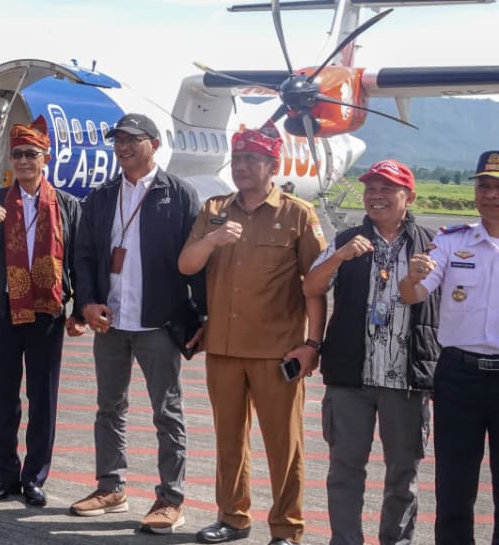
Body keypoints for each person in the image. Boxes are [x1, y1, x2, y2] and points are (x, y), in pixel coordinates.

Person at [178, 122, 326, 545]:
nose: (242, 166)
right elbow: (186, 265)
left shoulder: (298, 214)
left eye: (252, 160)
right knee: (228, 441)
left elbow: (315, 286)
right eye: (238, 158)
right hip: (223, 347)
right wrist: (213, 240)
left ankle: (286, 528)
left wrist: (312, 344)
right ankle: (232, 517)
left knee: (284, 445)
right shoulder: (214, 210)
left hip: (277, 351)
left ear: (271, 164)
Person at [68, 113, 203, 533]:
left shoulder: (178, 194)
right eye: (117, 140)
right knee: (109, 408)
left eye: (131, 139)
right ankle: (110, 487)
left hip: (158, 323)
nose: (122, 147)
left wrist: (202, 316)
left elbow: (196, 265)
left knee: (167, 411)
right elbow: (85, 254)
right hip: (111, 321)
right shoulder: (102, 196)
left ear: (154, 143)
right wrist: (86, 303)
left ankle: (170, 499)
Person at [301, 159, 438, 545]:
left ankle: (397, 540)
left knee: (402, 473)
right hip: (351, 377)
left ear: (408, 196)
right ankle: (345, 540)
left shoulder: (432, 243)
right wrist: (339, 257)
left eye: (387, 189)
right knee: (344, 468)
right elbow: (311, 287)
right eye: (371, 189)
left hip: (406, 379)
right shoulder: (346, 240)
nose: (376, 197)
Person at [0, 116, 81, 508]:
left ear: (46, 158)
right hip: (4, 311)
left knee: (43, 397)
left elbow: (80, 258)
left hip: (47, 312)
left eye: (31, 154)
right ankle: (5, 475)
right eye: (18, 153)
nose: (23, 161)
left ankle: (35, 477)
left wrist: (79, 306)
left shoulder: (66, 205)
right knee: (3, 397)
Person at [399, 149, 499, 545]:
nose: (490, 195)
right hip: (460, 375)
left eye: (498, 187)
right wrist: (411, 278)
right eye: (484, 186)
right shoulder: (451, 241)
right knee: (455, 483)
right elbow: (413, 294)